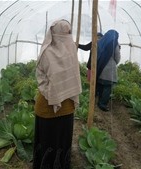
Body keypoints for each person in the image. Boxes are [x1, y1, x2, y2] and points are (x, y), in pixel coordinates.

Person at [33, 19, 82, 169]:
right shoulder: (71, 49)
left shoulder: (46, 51)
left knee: (49, 140)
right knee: (60, 139)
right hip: (66, 106)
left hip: (48, 105)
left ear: (52, 33)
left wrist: (52, 92)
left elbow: (41, 77)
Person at [96, 29, 121, 111]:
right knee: (108, 86)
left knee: (100, 85)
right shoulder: (114, 43)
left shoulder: (100, 41)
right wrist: (114, 63)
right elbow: (117, 57)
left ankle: (99, 100)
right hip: (110, 68)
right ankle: (102, 104)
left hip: (100, 66)